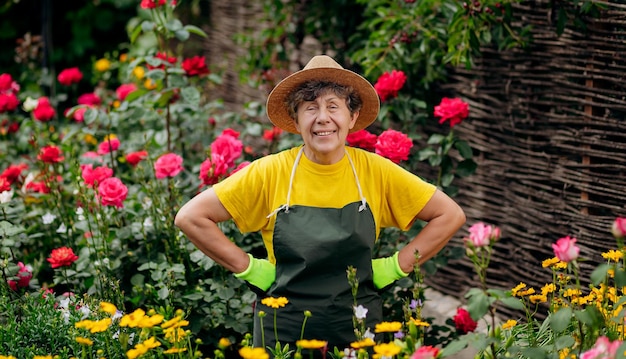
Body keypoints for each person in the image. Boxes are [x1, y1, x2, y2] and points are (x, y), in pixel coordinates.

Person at [174, 55, 466, 353]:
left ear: (351, 118)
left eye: (333, 107)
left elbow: (449, 214)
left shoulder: (376, 171)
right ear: (296, 119)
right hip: (283, 328)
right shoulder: (270, 172)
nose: (322, 118)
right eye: (311, 108)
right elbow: (191, 217)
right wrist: (249, 269)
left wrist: (395, 267)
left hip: (356, 325)